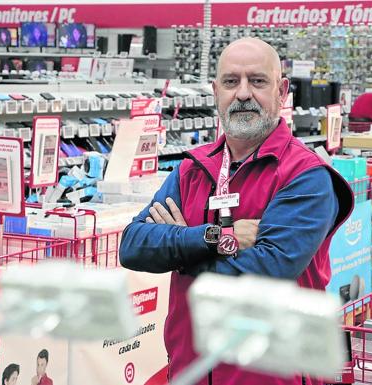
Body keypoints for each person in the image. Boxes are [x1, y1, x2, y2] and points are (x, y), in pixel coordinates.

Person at [119, 37, 353, 385]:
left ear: (281, 90)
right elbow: (133, 246)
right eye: (231, 82)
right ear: (216, 91)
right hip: (191, 371)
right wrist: (218, 238)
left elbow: (268, 270)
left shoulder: (306, 176)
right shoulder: (191, 169)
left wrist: (179, 252)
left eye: (257, 81)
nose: (243, 93)